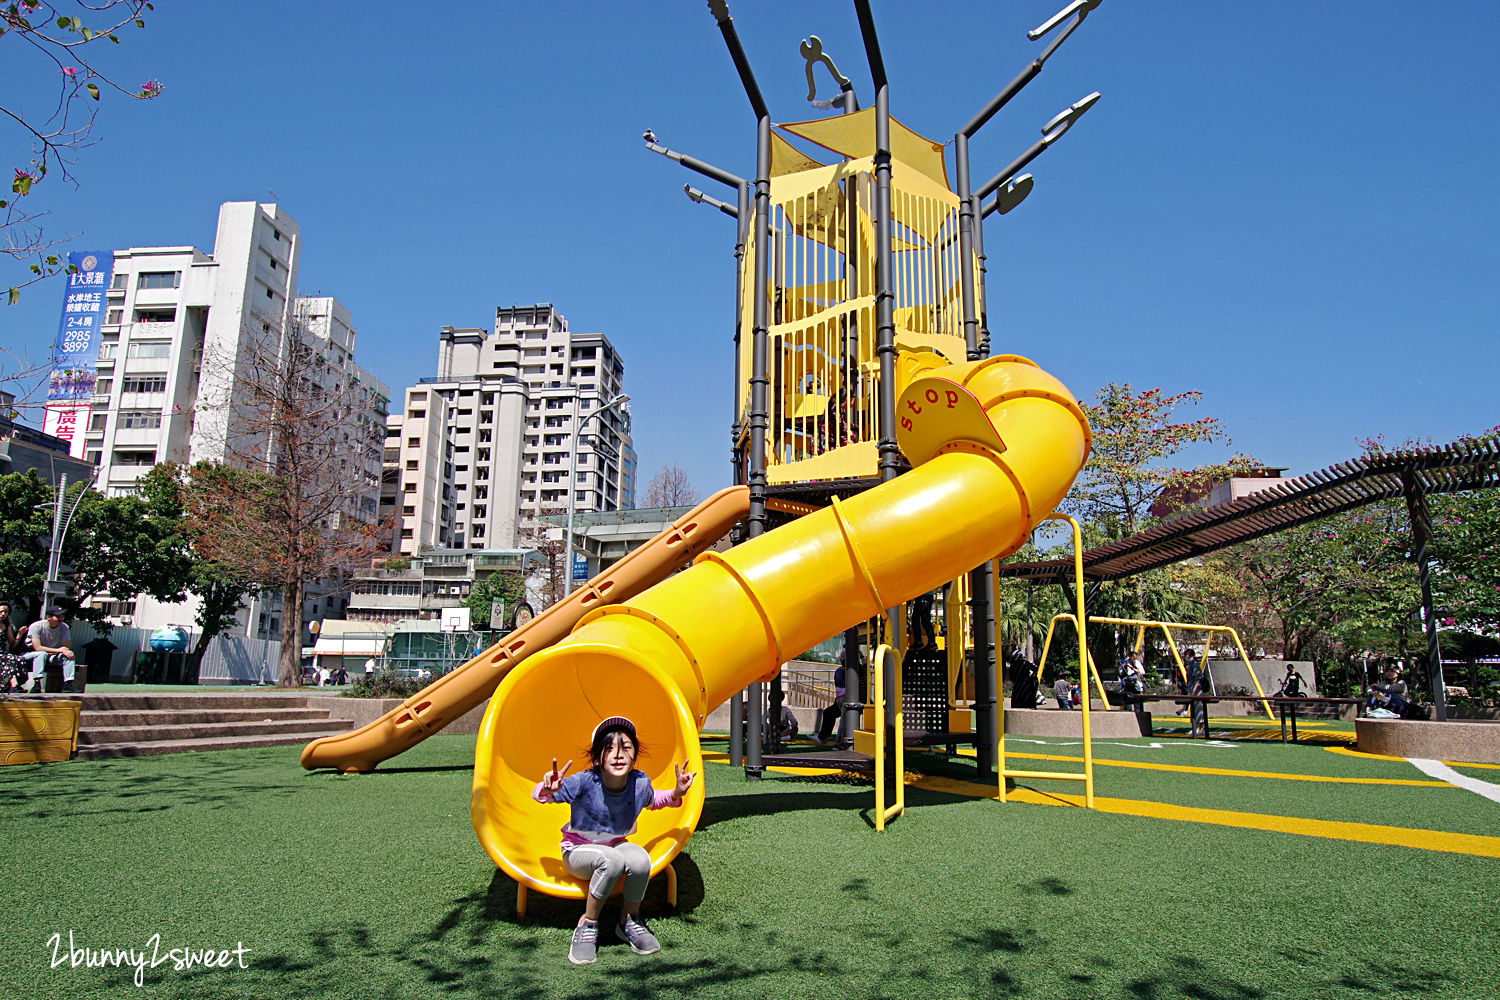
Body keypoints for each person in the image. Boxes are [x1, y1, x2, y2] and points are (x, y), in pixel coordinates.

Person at [532, 717, 693, 965]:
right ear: (597, 758)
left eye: (626, 747)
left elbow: (655, 800)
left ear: (635, 755)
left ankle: (629, 921)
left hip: (614, 845)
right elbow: (543, 797)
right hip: (578, 852)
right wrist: (547, 788)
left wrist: (676, 793)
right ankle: (588, 924)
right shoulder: (584, 782)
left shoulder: (639, 783)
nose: (618, 755)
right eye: (609, 748)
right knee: (612, 859)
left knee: (640, 859)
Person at [20, 607, 77, 694]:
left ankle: (68, 684)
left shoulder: (64, 627)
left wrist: (64, 651)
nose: (61, 619)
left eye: (62, 616)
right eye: (58, 616)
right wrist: (59, 650)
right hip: (29, 654)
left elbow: (66, 647)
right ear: (48, 617)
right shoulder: (36, 626)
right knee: (41, 654)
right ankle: (36, 684)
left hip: (49, 654)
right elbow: (37, 648)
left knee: (68, 655)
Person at [814, 656, 848, 746]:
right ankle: (824, 737)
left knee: (843, 719)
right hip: (842, 698)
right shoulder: (842, 671)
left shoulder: (841, 671)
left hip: (843, 698)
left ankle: (838, 741)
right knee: (830, 713)